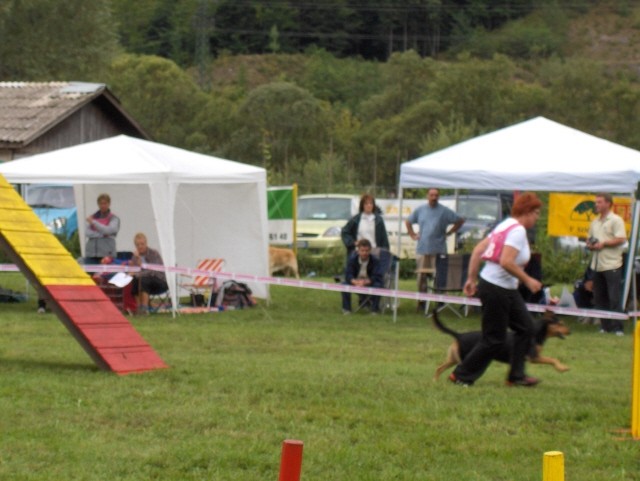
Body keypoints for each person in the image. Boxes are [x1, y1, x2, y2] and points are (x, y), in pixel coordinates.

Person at [449, 192, 543, 387]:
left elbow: (477, 250)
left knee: (526, 327)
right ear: (526, 211)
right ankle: (461, 375)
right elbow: (506, 261)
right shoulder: (517, 231)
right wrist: (527, 280)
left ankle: (516, 376)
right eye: (536, 212)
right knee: (494, 339)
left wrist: (471, 279)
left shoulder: (504, 226)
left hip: (502, 288)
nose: (537, 217)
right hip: (496, 288)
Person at [405, 188, 464, 305]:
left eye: (436, 195)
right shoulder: (421, 210)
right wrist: (412, 234)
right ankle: (422, 301)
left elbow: (460, 220)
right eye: (432, 195)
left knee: (439, 276)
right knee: (421, 277)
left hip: (439, 250)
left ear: (439, 197)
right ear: (428, 196)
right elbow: (408, 221)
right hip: (422, 249)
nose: (434, 197)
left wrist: (450, 232)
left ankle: (440, 301)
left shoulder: (444, 211)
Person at [586, 192, 627, 335]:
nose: (596, 204)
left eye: (599, 202)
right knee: (599, 297)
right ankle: (605, 326)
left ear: (608, 203)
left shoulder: (616, 220)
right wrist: (590, 244)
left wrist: (604, 243)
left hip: (612, 264)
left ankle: (618, 327)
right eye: (596, 202)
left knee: (614, 297)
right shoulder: (595, 222)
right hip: (597, 264)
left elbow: (621, 239)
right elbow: (589, 238)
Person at [341, 239, 384, 315]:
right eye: (362, 251)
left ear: (370, 250)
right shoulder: (352, 260)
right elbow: (348, 274)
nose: (365, 253)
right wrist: (354, 281)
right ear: (358, 251)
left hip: (370, 282)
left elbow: (377, 276)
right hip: (355, 281)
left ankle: (374, 310)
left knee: (378, 285)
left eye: (367, 251)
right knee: (344, 285)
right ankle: (346, 309)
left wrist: (365, 282)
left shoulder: (375, 261)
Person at [130, 232, 168, 314]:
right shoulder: (134, 256)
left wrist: (138, 272)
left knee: (144, 279)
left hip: (159, 281)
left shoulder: (154, 253)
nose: (140, 246)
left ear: (146, 243)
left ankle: (145, 308)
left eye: (142, 244)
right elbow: (134, 270)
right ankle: (139, 307)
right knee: (134, 281)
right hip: (143, 280)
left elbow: (153, 271)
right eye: (137, 245)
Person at [341, 194, 389, 258]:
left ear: (373, 205)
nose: (369, 205)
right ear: (362, 205)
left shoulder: (378, 220)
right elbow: (345, 231)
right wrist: (353, 242)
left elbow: (384, 240)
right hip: (359, 254)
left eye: (371, 203)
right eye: (366, 204)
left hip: (374, 254)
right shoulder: (356, 219)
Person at [85, 193, 120, 262]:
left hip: (107, 254)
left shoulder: (114, 218)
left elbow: (108, 230)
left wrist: (94, 223)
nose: (103, 205)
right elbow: (87, 233)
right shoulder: (92, 217)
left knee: (107, 273)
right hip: (91, 254)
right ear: (98, 204)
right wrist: (103, 234)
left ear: (109, 204)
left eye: (105, 203)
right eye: (101, 203)